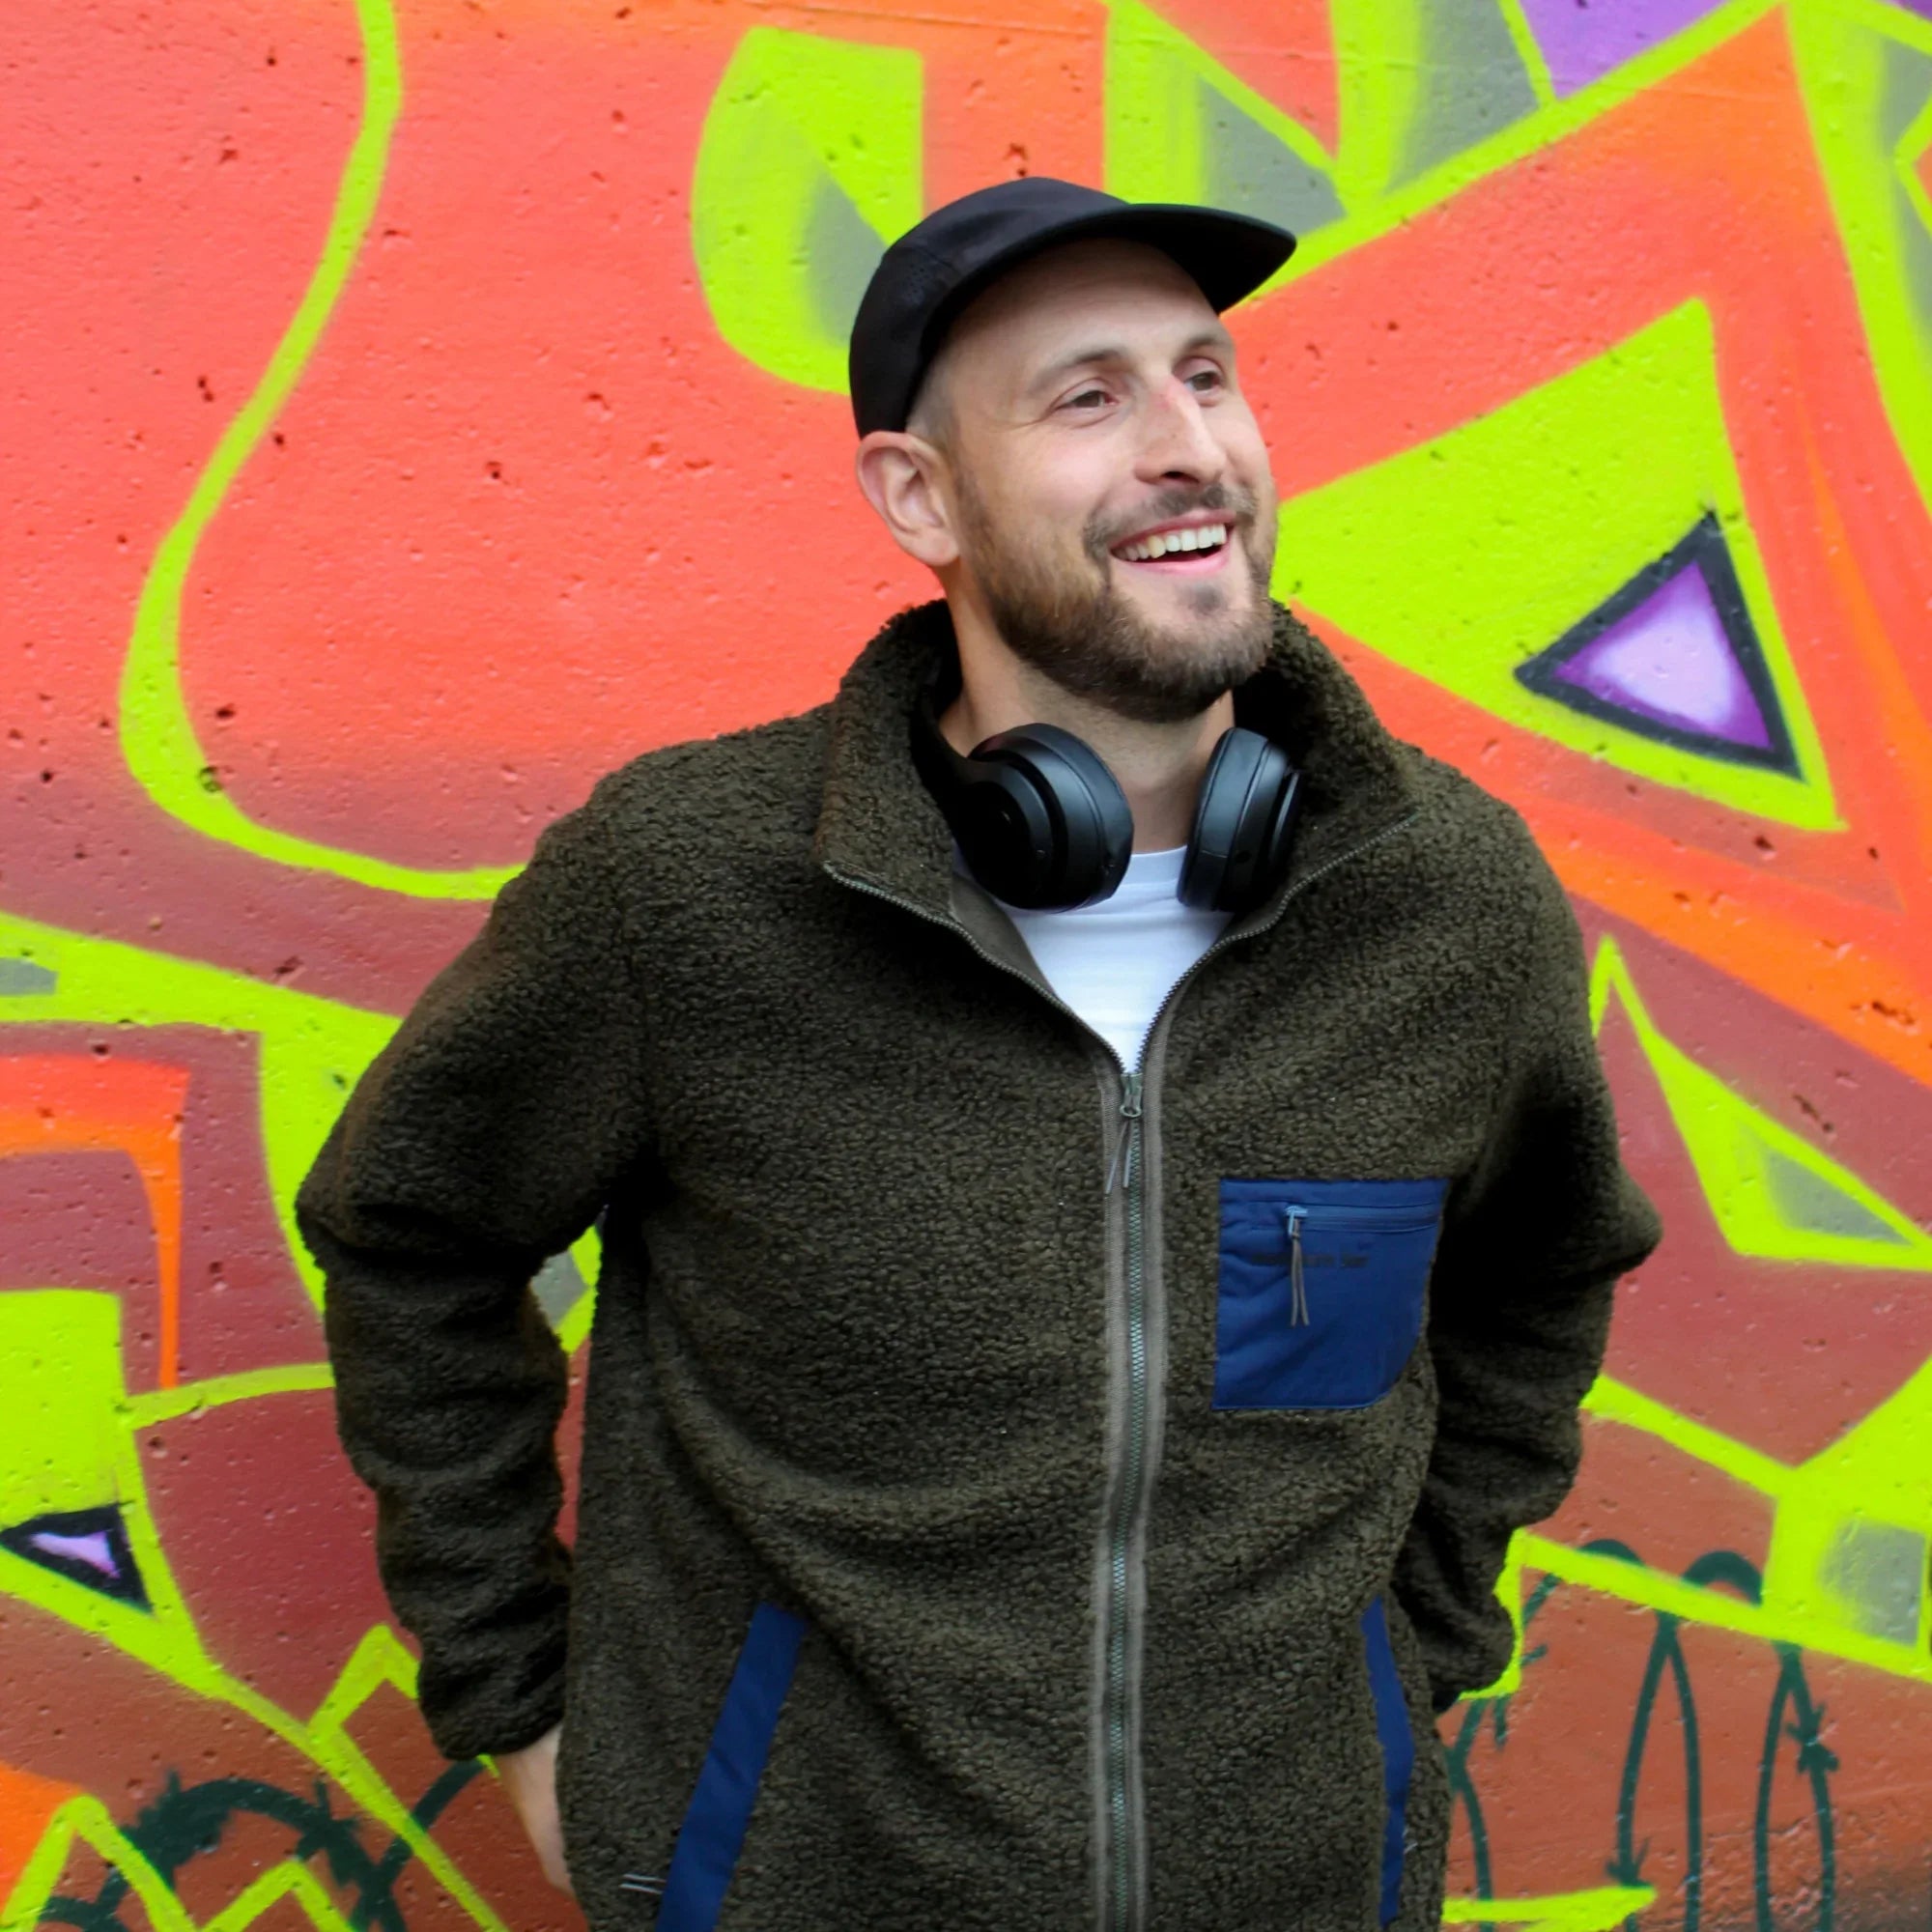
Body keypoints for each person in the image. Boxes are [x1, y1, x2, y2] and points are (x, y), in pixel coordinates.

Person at [296, 178, 1663, 1932]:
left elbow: (1542, 1274)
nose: (1190, 449)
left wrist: (1411, 1661)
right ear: (918, 497)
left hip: (1301, 1884)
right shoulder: (687, 889)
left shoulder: (1444, 901)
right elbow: (413, 1236)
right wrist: (519, 1703)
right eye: (1090, 398)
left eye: (1206, 376)